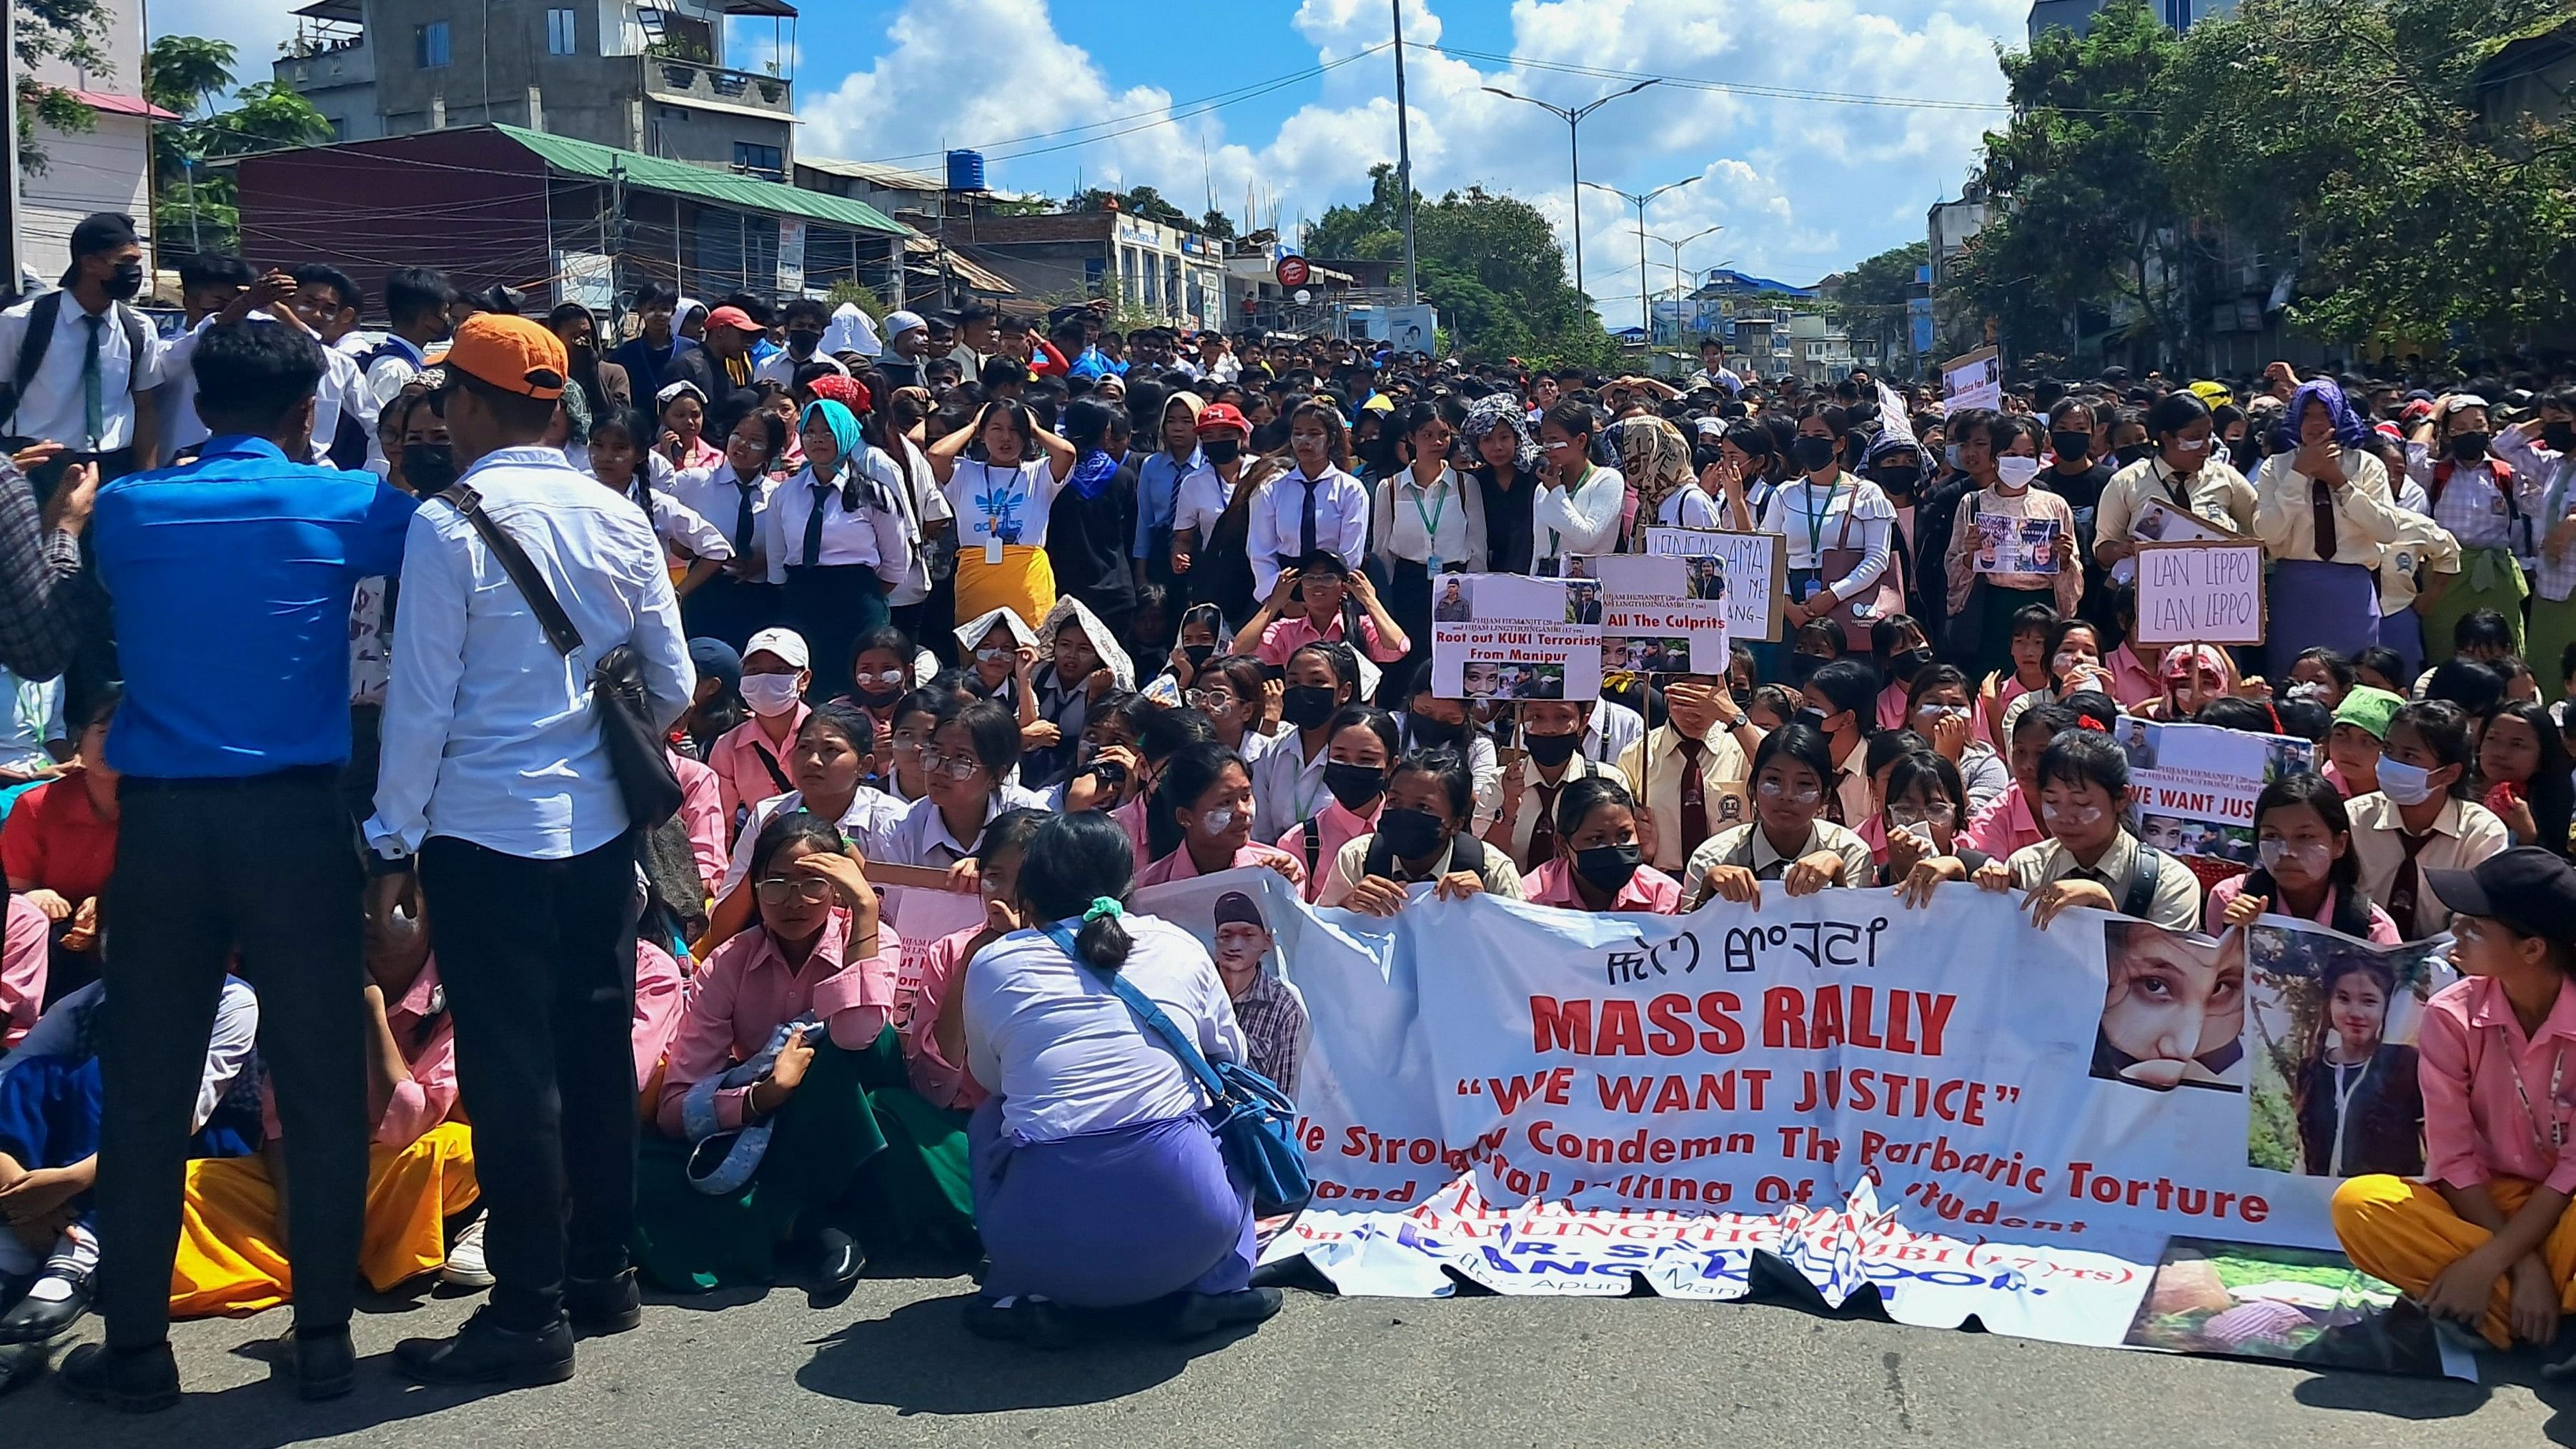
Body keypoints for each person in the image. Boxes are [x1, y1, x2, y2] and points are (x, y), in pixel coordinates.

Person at [66, 320, 415, 1410]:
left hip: (164, 825)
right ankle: (321, 1340)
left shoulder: (127, 508)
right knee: (316, 1073)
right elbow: (422, 532)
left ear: (200, 403)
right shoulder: (343, 502)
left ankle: (134, 1350)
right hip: (297, 818)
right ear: (308, 410)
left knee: (146, 1079)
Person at [364, 314, 693, 1388]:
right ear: (554, 407)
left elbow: (420, 703)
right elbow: (676, 685)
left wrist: (391, 837)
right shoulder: (616, 513)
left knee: (512, 1074)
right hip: (602, 832)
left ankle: (527, 1311)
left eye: (446, 399)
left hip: (482, 831)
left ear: (467, 403)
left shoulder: (447, 522)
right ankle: (604, 1271)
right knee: (597, 1052)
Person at [961, 811, 1279, 1345]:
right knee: (1222, 1106)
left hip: (1042, 1244)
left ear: (1030, 890)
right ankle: (1218, 1287)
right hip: (1190, 1231)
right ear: (1127, 883)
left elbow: (988, 1076)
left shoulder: (995, 961)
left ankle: (1021, 1293)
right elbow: (1232, 1055)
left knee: (992, 1115)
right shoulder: (1178, 946)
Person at [638, 811, 969, 1298]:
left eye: (814, 882)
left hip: (865, 1114)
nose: (794, 901)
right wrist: (760, 1097)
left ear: (838, 887)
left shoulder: (878, 938)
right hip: (774, 1124)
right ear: (753, 888)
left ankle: (788, 1221)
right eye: (776, 883)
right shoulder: (729, 963)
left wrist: (865, 907)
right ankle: (814, 1223)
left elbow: (858, 1035)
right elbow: (675, 1107)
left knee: (839, 1046)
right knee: (641, 1169)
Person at [2332, 848, 2576, 1357]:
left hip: (2564, 1208)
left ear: (2532, 949)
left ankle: (2488, 1306)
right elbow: (2454, 1157)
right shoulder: (2449, 1013)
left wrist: (2487, 1263)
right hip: (2479, 1204)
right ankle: (2547, 1313)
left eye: (2475, 927)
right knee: (2360, 1206)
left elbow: (2572, 1167)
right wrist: (2519, 1261)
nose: (2455, 930)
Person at [1973, 728, 2201, 933]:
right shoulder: (2025, 870)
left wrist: (2102, 903)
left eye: (2081, 803)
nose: (2064, 817)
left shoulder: (2171, 884)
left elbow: (2162, 973)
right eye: (2051, 801)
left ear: (2122, 798)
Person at [2254, 380, 2404, 678]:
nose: (2316, 423)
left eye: (2324, 413)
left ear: (2338, 416)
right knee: (2294, 681)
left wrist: (2339, 481)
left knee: (2351, 677)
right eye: (2307, 414)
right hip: (2296, 590)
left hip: (2351, 592)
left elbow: (2387, 530)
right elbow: (2268, 533)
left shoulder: (2366, 466)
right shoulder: (2277, 467)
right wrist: (2299, 473)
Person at [763, 398, 911, 701]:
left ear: (844, 435)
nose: (818, 440)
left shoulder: (875, 494)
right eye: (810, 432)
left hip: (857, 604)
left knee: (862, 687)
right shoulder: (784, 494)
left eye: (827, 432)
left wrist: (864, 591)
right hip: (803, 601)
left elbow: (896, 562)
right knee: (808, 686)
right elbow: (777, 560)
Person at [0, 213, 164, 478]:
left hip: (113, 467)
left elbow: (145, 406)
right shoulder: (22, 323)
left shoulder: (139, 329)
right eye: (126, 261)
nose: (135, 272)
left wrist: (147, 479)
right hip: (40, 466)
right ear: (89, 263)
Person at [2349, 700, 2512, 940]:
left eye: (2409, 756)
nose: (2392, 763)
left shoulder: (2481, 834)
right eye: (2388, 750)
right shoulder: (2354, 817)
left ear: (2449, 774)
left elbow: (2474, 923)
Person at [2, 690, 119, 1002]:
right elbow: (15, 892)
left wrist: (109, 904)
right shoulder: (36, 805)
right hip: (51, 935)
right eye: (103, 731)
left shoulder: (158, 812)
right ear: (80, 739)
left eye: (126, 732)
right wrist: (35, 896)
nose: (113, 743)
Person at [1945, 414, 2079, 681]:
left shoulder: (2054, 505)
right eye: (2011, 453)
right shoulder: (1973, 504)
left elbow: (2073, 569)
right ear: (1995, 458)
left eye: (2029, 454)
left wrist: (2063, 559)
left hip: (2042, 606)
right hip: (1992, 609)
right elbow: (1953, 564)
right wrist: (1971, 555)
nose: (2020, 461)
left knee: (2039, 679)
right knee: (1992, 682)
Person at [1683, 724, 1873, 909]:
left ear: (1824, 796)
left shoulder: (1850, 853)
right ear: (1753, 787)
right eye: (1773, 780)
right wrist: (1707, 892)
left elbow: (1860, 932)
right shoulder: (1711, 859)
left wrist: (1838, 879)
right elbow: (1684, 936)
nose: (1787, 795)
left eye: (1805, 783)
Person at [1317, 746, 1524, 912]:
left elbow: (1522, 952)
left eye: (1423, 807)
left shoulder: (1492, 871)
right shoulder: (1358, 858)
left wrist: (1485, 909)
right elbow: (1317, 941)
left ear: (1457, 823)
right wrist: (1346, 907)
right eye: (1394, 801)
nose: (1404, 814)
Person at [927, 400, 1077, 626]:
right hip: (977, 585)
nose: (1006, 438)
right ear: (983, 434)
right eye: (997, 428)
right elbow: (936, 455)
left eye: (1015, 430)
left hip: (1027, 585)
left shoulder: (1038, 473)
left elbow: (1067, 453)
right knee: (978, 654)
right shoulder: (964, 472)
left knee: (1030, 654)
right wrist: (973, 426)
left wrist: (1035, 429)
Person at [2207, 773, 2402, 942]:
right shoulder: (2230, 899)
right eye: (2272, 836)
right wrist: (2233, 937)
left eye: (2305, 837)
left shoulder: (2371, 929)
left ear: (2339, 845)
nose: (2286, 851)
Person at [2416, 393, 2537, 658]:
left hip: (2496, 571)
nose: (2470, 433)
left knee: (2505, 646)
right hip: (2446, 573)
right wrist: (2434, 414)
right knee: (2446, 642)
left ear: (2489, 429)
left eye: (2478, 425)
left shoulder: (2507, 473)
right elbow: (2414, 455)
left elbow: (2535, 504)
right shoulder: (2436, 473)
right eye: (2459, 428)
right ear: (2447, 434)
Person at [2289, 953, 2425, 1178]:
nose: (2355, 1013)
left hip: (2382, 1204)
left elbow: (2435, 1146)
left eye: (2369, 1001)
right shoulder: (2310, 1069)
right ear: (2329, 1003)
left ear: (2387, 1008)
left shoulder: (2406, 1064)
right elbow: (2306, 1152)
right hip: (2316, 1203)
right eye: (2343, 999)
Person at [667, 398, 786, 651]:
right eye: (737, 435)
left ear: (771, 451)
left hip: (759, 598)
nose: (742, 445)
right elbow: (659, 514)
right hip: (706, 593)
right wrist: (680, 544)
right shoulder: (695, 481)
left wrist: (762, 562)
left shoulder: (779, 495)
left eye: (755, 440)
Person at [883, 698, 1049, 871]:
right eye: (935, 752)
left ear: (997, 776)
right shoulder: (899, 831)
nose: (939, 769)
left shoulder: (1033, 817)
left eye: (962, 759)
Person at [1618, 675, 1753, 877]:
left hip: (1733, 883)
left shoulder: (1745, 748)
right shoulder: (1636, 755)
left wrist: (1735, 718)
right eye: (1683, 700)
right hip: (1661, 884)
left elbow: (1781, 776)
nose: (1693, 714)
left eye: (1704, 703)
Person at [1487, 699, 1630, 872]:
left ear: (1583, 723)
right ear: (1522, 721)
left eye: (1562, 717)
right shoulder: (1498, 783)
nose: (1549, 728)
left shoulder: (1609, 781)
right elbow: (1486, 862)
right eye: (1537, 717)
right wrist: (1509, 808)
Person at [1135, 742, 1302, 889]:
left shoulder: (1282, 873)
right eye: (1225, 803)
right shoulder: (1149, 887)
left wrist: (1283, 893)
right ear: (1185, 817)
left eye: (1246, 797)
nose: (1243, 811)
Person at [1248, 399, 1369, 598]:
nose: (1305, 440)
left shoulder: (1351, 490)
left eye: (1314, 434)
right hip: (1284, 588)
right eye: (1298, 433)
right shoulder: (1273, 489)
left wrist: (1330, 597)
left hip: (1333, 588)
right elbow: (1261, 552)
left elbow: (1351, 555)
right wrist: (1281, 601)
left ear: (1330, 440)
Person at [1248, 641, 1364, 843]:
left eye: (1317, 682)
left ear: (1344, 692)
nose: (1303, 690)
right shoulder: (1274, 752)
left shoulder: (1360, 754)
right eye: (1294, 682)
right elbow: (1260, 832)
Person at [1522, 776, 1683, 914]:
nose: (1614, 847)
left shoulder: (1663, 897)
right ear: (1563, 845)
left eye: (1624, 835)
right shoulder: (1529, 902)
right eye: (1597, 839)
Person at [1169, 401, 1264, 626]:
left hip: (1261, 576)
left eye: (1225, 433)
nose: (1218, 441)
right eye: (1209, 436)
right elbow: (1183, 538)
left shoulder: (1267, 473)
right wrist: (1179, 556)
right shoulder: (1193, 483)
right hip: (1219, 580)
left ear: (1242, 436)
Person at [708, 627, 813, 829]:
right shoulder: (728, 747)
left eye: (780, 670)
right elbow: (720, 825)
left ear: (804, 680)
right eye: (754, 671)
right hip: (761, 853)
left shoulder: (830, 735)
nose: (765, 678)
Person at [1532, 400, 1624, 561]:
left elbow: (1586, 540)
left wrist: (1556, 492)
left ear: (1581, 440)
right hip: (1545, 582)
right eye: (1544, 441)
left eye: (1553, 439)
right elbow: (1538, 551)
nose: (1547, 447)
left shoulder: (1608, 480)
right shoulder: (1542, 489)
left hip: (1586, 581)